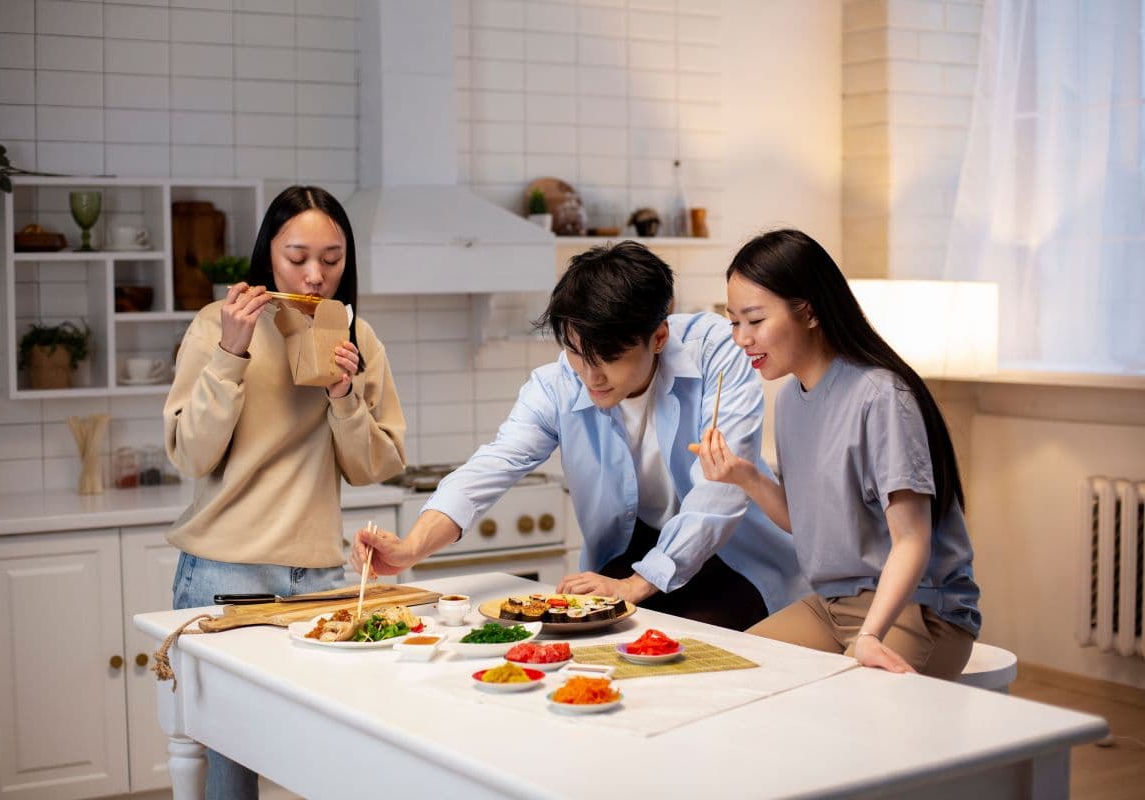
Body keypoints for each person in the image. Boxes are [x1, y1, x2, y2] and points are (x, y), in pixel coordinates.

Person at [352, 241, 806, 630]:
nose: (591, 375)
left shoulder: (716, 351)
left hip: (733, 550)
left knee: (692, 644)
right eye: (574, 352)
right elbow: (492, 466)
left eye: (608, 357)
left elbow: (720, 490)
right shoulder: (556, 385)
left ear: (659, 337)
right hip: (633, 549)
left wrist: (636, 582)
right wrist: (411, 548)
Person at [163, 185, 406, 799]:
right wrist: (230, 354)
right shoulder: (215, 327)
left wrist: (344, 395)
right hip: (225, 572)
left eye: (332, 258)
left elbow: (376, 464)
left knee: (328, 758)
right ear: (267, 253)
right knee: (229, 773)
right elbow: (191, 455)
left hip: (319, 576)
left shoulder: (355, 335)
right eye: (297, 256)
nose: (315, 274)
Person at [696, 228, 980, 679]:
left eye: (754, 320)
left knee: (848, 708)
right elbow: (808, 523)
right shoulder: (790, 400)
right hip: (831, 607)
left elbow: (912, 540)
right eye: (734, 322)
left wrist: (868, 637)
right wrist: (744, 476)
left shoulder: (881, 395)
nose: (741, 338)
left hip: (916, 610)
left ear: (807, 311)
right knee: (732, 676)